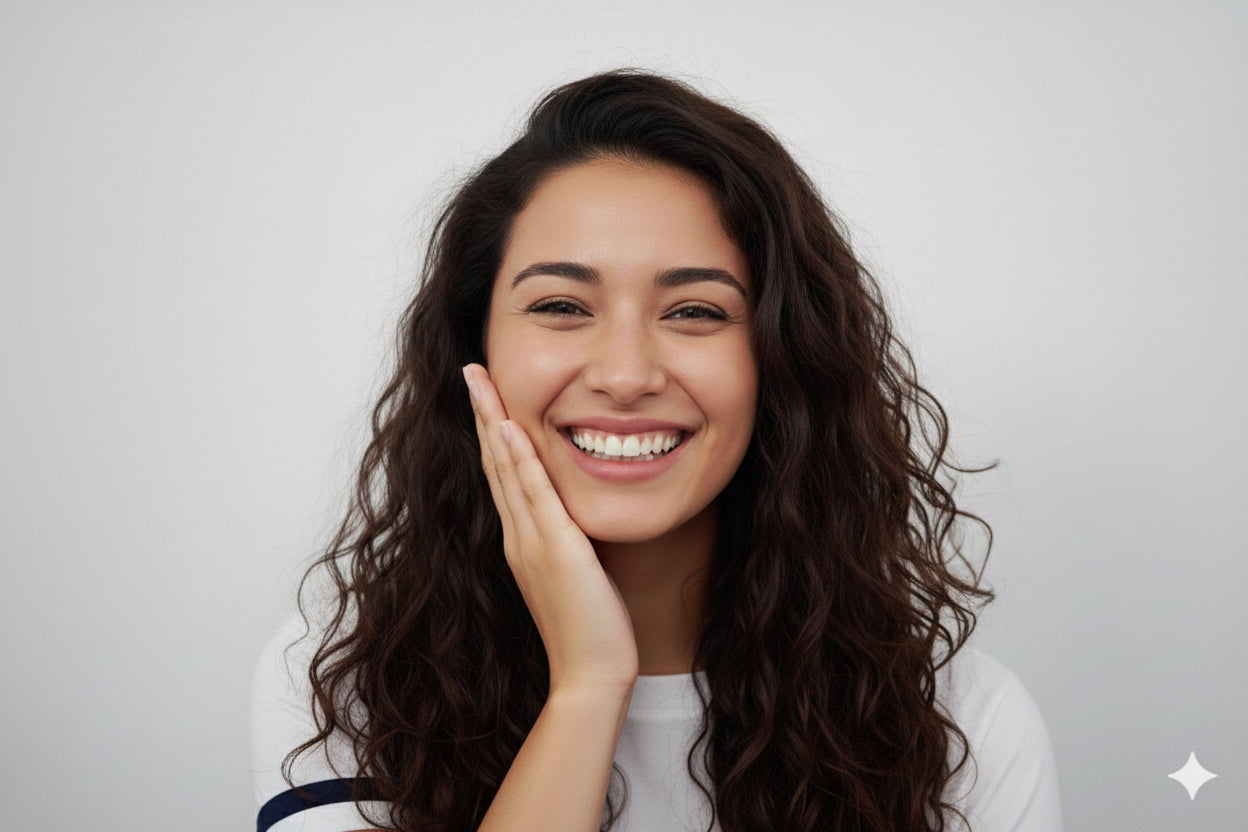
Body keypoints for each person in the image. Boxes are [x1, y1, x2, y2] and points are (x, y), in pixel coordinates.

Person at [251, 69, 1062, 832]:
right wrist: (588, 686)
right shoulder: (340, 677)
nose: (627, 375)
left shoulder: (959, 720)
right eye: (563, 305)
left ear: (781, 359)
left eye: (696, 312)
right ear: (476, 348)